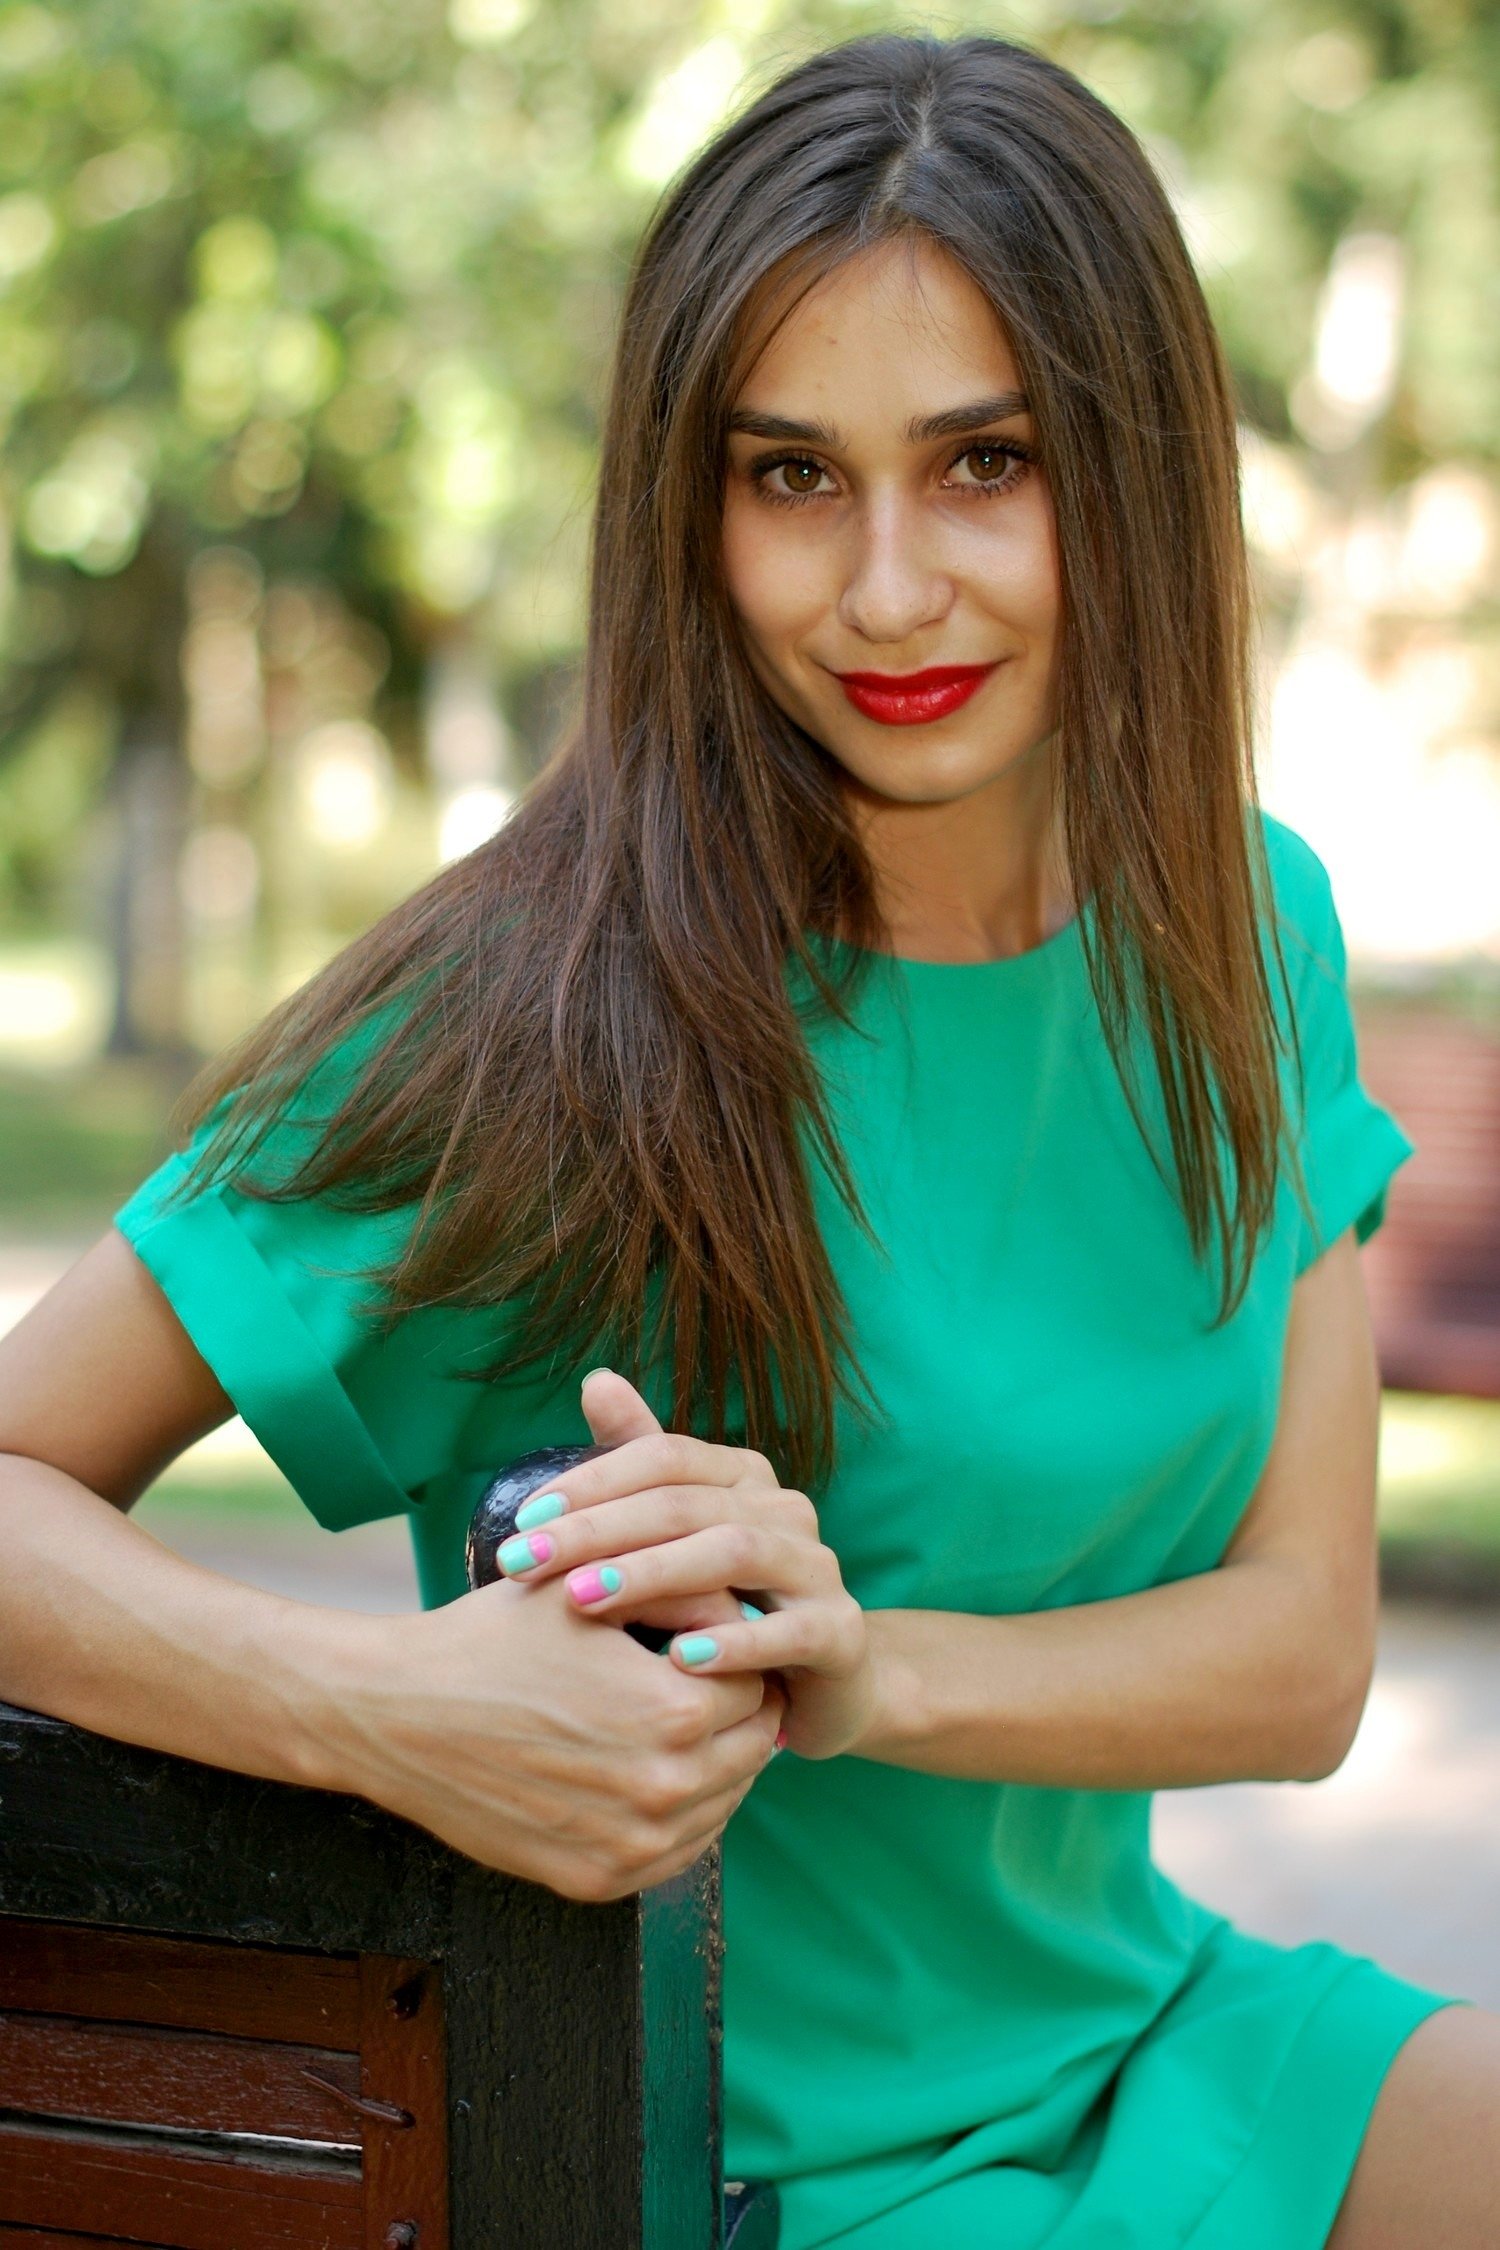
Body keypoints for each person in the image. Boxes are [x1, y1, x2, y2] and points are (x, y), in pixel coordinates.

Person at [1, 29, 1495, 2249]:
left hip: (1144, 2039)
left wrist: (866, 1669)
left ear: (1137, 473)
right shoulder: (532, 1009)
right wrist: (389, 1708)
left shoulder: (1241, 922)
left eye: (983, 461)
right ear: (690, 511)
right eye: (794, 477)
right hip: (728, 2161)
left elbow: (1300, 1656)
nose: (887, 591)